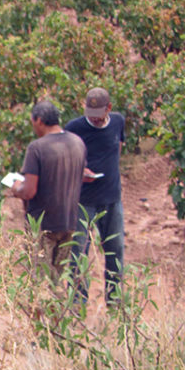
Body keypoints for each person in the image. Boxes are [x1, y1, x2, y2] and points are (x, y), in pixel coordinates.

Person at [10, 101, 87, 278]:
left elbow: (29, 191)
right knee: (57, 278)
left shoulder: (37, 148)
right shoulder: (77, 143)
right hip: (69, 222)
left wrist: (16, 187)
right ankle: (62, 306)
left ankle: (48, 306)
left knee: (40, 281)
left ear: (39, 121)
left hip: (42, 225)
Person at [65, 88, 126, 303]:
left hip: (112, 198)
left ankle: (115, 303)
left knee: (116, 251)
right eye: (90, 112)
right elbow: (65, 159)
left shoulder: (118, 122)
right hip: (82, 201)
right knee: (78, 254)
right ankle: (76, 306)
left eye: (98, 113)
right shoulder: (74, 128)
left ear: (109, 108)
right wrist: (79, 172)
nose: (94, 117)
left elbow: (117, 150)